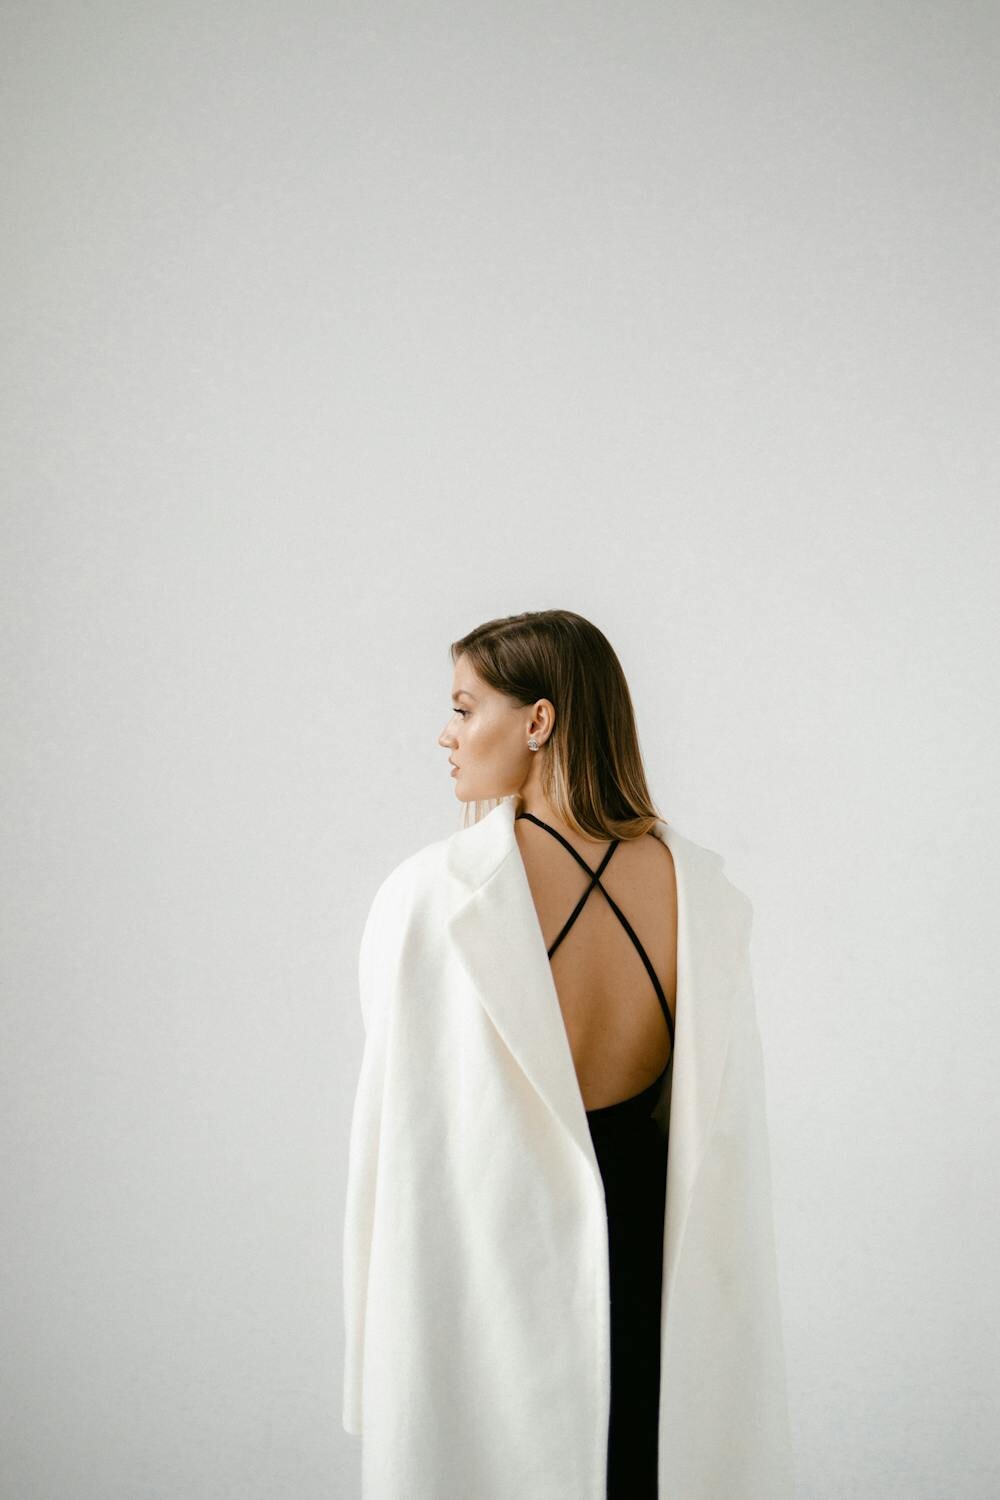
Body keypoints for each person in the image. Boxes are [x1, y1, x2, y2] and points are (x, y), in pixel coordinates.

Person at [342, 609, 795, 1500]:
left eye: (465, 708)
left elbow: (387, 1134)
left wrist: (371, 1359)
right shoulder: (700, 892)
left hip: (487, 1263)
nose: (446, 734)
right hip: (649, 1253)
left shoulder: (432, 892)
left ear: (538, 721)